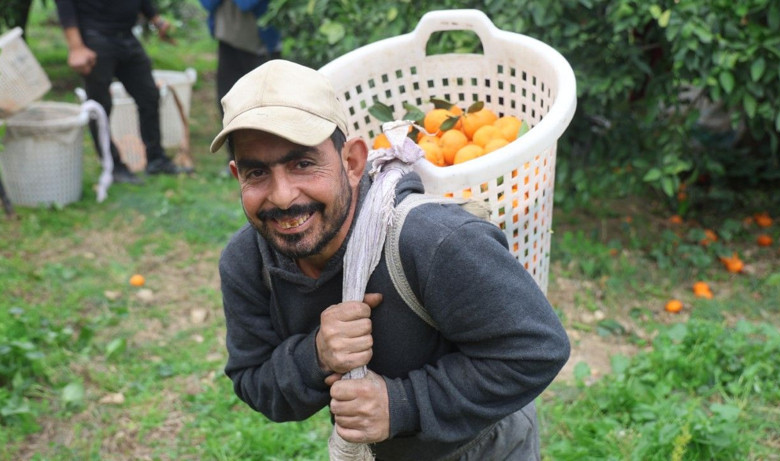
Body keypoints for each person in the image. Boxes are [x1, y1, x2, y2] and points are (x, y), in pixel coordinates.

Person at [211, 59, 570, 460]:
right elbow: (252, 379)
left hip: (482, 446)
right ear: (236, 175)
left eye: (303, 164)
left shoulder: (432, 240)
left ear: (352, 162)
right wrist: (315, 355)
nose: (281, 196)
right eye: (257, 173)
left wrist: (401, 403)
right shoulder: (247, 262)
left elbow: (536, 348)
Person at [55, 0, 187, 183]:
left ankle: (156, 160)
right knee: (100, 107)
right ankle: (113, 166)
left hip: (126, 36)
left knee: (149, 95)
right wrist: (76, 46)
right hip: (94, 37)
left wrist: (156, 20)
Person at [198, 0, 281, 164]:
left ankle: (269, 157)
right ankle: (238, 157)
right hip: (229, 37)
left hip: (259, 41)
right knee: (227, 100)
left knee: (265, 103)